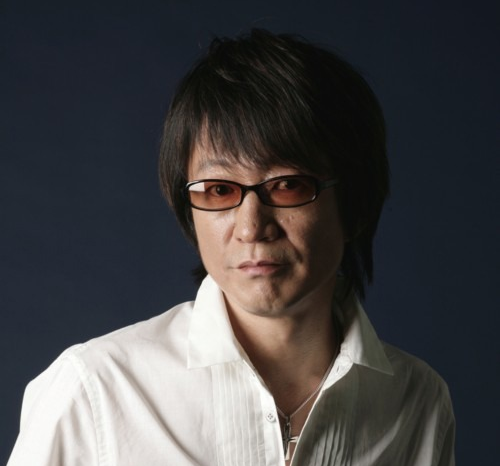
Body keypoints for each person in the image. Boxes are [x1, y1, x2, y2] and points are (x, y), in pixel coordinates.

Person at [7, 29, 455, 466]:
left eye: (287, 185)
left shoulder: (417, 400)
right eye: (219, 190)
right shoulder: (96, 392)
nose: (251, 227)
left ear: (354, 204)